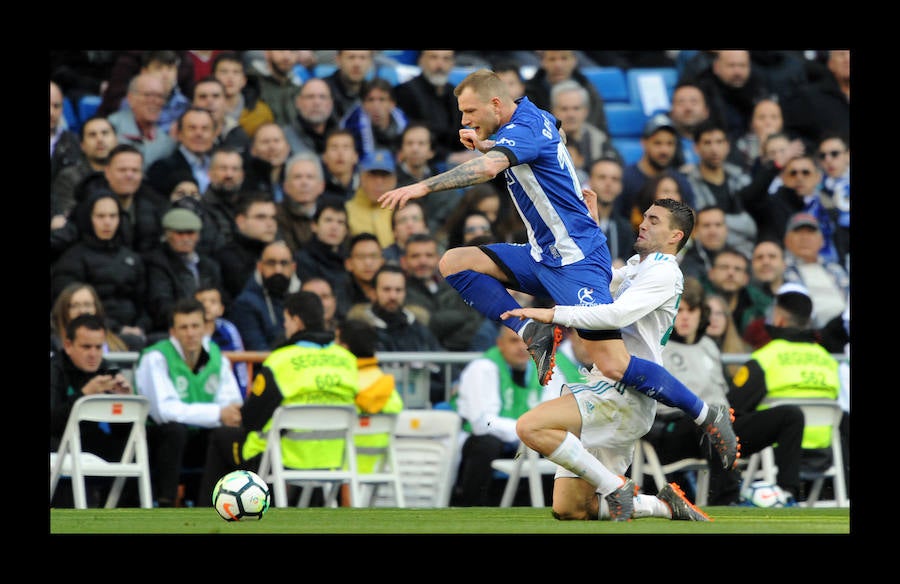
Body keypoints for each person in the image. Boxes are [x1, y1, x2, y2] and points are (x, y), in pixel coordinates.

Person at [378, 70, 738, 472]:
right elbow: (550, 143)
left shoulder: (527, 128)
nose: (464, 120)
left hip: (577, 261)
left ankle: (707, 414)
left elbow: (488, 169)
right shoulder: (532, 120)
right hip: (542, 255)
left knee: (613, 364)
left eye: (469, 111)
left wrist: (420, 187)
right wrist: (488, 143)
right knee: (455, 262)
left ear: (497, 104)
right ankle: (531, 331)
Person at [500, 198, 719, 521]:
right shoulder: (638, 266)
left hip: (623, 393)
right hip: (612, 391)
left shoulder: (664, 271)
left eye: (654, 220)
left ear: (676, 236)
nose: (643, 223)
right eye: (645, 216)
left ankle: (616, 487)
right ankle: (661, 505)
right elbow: (595, 281)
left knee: (530, 427)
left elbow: (614, 313)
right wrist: (593, 230)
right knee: (572, 509)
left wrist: (551, 315)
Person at [650, 277, 803, 506]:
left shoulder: (709, 346)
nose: (684, 317)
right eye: (679, 310)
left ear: (701, 313)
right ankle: (728, 498)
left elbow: (724, 398)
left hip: (721, 426)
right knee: (709, 417)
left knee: (791, 415)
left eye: (691, 310)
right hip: (675, 430)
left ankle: (786, 494)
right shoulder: (656, 347)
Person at [197, 291, 360, 506]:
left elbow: (252, 419)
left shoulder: (281, 361)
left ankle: (206, 518)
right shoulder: (347, 360)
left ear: (296, 320)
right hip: (333, 459)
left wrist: (240, 413)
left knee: (221, 437)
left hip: (284, 459)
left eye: (286, 321)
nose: (285, 327)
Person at [728, 286, 843, 499]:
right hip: (822, 452)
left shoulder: (766, 358)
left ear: (779, 319)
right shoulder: (828, 360)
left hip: (774, 451)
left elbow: (732, 408)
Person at [134, 297, 243, 507]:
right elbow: (165, 412)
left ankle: (219, 505)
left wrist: (222, 414)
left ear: (205, 328)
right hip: (155, 442)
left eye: (195, 326)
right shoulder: (156, 358)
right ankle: (165, 504)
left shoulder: (218, 358)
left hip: (196, 438)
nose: (191, 333)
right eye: (183, 327)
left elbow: (232, 404)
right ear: (173, 332)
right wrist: (217, 414)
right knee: (174, 430)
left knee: (227, 433)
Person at [451, 325, 568, 506]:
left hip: (528, 441)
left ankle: (552, 507)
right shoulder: (483, 368)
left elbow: (555, 412)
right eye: (514, 341)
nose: (522, 347)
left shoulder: (547, 368)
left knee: (559, 442)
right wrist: (526, 431)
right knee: (487, 444)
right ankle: (472, 506)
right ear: (500, 344)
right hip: (485, 441)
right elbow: (482, 423)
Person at [50, 314, 137, 508]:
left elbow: (121, 433)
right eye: (86, 347)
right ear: (68, 345)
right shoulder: (54, 369)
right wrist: (84, 394)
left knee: (133, 449)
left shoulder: (106, 369)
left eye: (98, 347)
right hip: (57, 443)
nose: (93, 354)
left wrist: (126, 403)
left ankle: (128, 518)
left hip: (89, 441)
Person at [51, 190, 152, 351]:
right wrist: (118, 329)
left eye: (113, 216)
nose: (107, 222)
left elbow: (144, 304)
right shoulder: (72, 258)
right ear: (89, 218)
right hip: (92, 333)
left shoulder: (132, 258)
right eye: (101, 216)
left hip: (134, 332)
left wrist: (141, 327)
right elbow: (68, 307)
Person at [345, 263, 447, 404]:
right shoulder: (359, 329)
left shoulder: (418, 327)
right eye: (386, 290)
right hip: (375, 406)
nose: (393, 296)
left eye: (398, 290)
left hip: (421, 407)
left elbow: (442, 363)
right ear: (373, 292)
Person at [141, 207, 224, 339]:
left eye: (190, 233)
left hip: (210, 326)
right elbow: (161, 305)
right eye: (180, 233)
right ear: (168, 235)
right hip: (175, 330)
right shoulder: (157, 263)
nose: (186, 238)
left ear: (198, 236)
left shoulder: (209, 265)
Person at [683, 119, 758, 259]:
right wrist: (740, 222)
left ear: (728, 146)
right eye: (707, 142)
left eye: (719, 142)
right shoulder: (687, 183)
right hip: (703, 256)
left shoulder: (742, 179)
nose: (714, 149)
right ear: (696, 148)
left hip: (745, 256)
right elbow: (698, 228)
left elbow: (752, 227)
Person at [401, 232, 486, 352]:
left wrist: (445, 341)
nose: (423, 261)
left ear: (437, 258)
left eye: (429, 255)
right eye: (415, 256)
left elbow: (474, 323)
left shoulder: (455, 285)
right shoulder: (398, 291)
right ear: (403, 261)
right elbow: (429, 329)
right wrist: (461, 317)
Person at [393, 50, 472, 167]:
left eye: (446, 59)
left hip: (457, 158)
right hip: (425, 161)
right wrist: (449, 156)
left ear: (452, 63)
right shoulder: (406, 92)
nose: (440, 65)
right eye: (433, 58)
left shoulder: (454, 92)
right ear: (421, 61)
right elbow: (412, 136)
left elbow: (458, 134)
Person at [615, 113, 696, 223]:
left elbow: (690, 221)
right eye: (658, 143)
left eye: (670, 143)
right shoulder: (625, 178)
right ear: (644, 143)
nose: (664, 150)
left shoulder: (681, 182)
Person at [228, 239, 301, 351]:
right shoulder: (245, 303)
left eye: (284, 263)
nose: (278, 270)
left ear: (293, 267)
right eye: (271, 263)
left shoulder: (302, 299)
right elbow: (257, 350)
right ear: (259, 266)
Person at [781, 213, 849, 328]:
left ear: (821, 240)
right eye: (798, 232)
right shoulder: (782, 270)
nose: (804, 237)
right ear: (787, 240)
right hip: (810, 332)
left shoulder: (836, 270)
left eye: (810, 232)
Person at [51, 116, 118, 228]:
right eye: (92, 135)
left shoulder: (126, 171)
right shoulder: (68, 177)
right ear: (82, 145)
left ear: (116, 140)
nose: (100, 139)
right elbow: (68, 216)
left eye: (105, 133)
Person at [214, 192, 280, 301]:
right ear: (241, 221)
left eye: (273, 217)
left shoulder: (279, 252)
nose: (270, 224)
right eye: (261, 217)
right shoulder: (227, 258)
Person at [294, 200, 351, 320]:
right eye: (328, 220)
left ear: (346, 230)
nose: (334, 227)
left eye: (340, 222)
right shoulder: (303, 260)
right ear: (314, 226)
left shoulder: (349, 260)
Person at [524, 50, 608, 132]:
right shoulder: (530, 93)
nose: (558, 65)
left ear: (574, 60)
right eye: (552, 59)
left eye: (564, 58)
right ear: (542, 62)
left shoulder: (589, 90)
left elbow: (599, 128)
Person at [107, 72, 177, 170]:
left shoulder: (167, 142)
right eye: (148, 95)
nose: (155, 101)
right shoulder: (110, 127)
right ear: (130, 98)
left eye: (160, 96)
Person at [781, 50, 850, 149]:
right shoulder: (810, 97)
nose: (847, 59)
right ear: (830, 64)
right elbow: (794, 133)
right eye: (841, 54)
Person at [550, 79, 620, 174]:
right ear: (553, 111)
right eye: (564, 109)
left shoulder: (599, 139)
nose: (571, 114)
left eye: (576, 108)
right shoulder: (543, 137)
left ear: (586, 111)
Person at [699, 245, 772, 337]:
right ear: (711, 274)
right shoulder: (697, 300)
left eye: (737, 269)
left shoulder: (760, 304)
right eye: (724, 267)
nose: (731, 273)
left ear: (746, 278)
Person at [146, 106, 217, 197]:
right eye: (192, 128)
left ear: (214, 134)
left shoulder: (219, 165)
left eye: (205, 129)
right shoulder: (162, 169)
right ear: (179, 134)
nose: (199, 134)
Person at [195, 284, 250, 396]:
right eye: (202, 302)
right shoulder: (189, 331)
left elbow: (240, 365)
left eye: (213, 302)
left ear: (221, 309)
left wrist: (242, 395)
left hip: (226, 391)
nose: (207, 306)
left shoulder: (229, 330)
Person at [50, 282, 129, 355]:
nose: (82, 311)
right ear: (64, 311)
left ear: (96, 309)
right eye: (74, 306)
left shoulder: (118, 343)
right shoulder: (53, 344)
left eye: (87, 305)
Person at [340, 77, 408, 161]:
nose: (376, 106)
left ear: (392, 104)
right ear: (363, 104)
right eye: (370, 100)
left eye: (382, 99)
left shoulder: (405, 125)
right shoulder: (351, 127)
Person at [275, 151, 328, 254]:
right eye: (297, 177)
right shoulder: (275, 215)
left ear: (321, 186)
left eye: (310, 177)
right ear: (286, 186)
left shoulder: (332, 213)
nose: (304, 183)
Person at [196, 145, 246, 256]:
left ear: (242, 175)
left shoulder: (249, 206)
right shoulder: (200, 208)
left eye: (235, 169)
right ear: (210, 174)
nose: (229, 175)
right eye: (223, 168)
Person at [212, 51, 274, 139]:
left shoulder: (261, 112)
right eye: (224, 72)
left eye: (236, 72)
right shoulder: (205, 110)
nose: (230, 77)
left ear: (244, 80)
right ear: (213, 77)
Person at [345, 149, 398, 248]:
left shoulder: (403, 209)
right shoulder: (347, 210)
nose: (379, 182)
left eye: (384, 175)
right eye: (373, 175)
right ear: (362, 177)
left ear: (394, 180)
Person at [587, 156, 633, 268]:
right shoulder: (574, 222)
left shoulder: (625, 228)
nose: (608, 184)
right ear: (589, 181)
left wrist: (623, 264)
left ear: (621, 186)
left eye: (615, 179)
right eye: (602, 177)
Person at [815, 133, 850, 270]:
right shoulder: (816, 189)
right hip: (834, 257)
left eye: (834, 154)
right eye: (823, 156)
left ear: (847, 155)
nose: (828, 160)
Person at [191, 76, 250, 154]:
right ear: (193, 103)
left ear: (225, 101)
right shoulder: (181, 135)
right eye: (203, 97)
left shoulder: (239, 135)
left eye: (216, 96)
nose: (209, 102)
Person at [281, 77, 339, 157]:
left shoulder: (342, 137)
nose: (316, 103)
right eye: (310, 97)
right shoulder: (283, 138)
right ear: (298, 103)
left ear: (331, 103)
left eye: (322, 97)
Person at [249, 50, 303, 128]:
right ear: (267, 53)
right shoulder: (251, 83)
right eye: (280, 51)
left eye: (292, 51)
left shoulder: (299, 87)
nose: (286, 57)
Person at [704, 292, 751, 378]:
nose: (714, 319)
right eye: (708, 313)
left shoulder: (745, 352)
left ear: (727, 319)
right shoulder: (688, 351)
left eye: (719, 313)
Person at [241, 121, 292, 202]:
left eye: (276, 141)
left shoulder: (298, 174)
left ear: (287, 147)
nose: (272, 147)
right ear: (253, 150)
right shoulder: (244, 179)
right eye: (265, 142)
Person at [678, 205, 729, 281]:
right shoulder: (688, 263)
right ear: (695, 231)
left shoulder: (738, 257)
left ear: (726, 229)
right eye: (706, 225)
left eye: (718, 225)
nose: (713, 231)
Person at [322, 50, 376, 121]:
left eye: (363, 58)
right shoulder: (323, 90)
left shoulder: (373, 93)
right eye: (351, 57)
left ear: (370, 62)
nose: (357, 64)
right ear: (338, 60)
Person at [667, 82, 709, 169]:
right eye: (681, 103)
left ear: (706, 111)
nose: (688, 108)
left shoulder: (722, 141)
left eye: (694, 102)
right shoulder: (663, 145)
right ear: (671, 113)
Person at [381, 200, 428, 265]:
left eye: (415, 219)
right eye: (403, 220)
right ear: (394, 231)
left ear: (426, 227)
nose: (410, 224)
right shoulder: (383, 259)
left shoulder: (440, 256)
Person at [320, 128, 361, 201]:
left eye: (346, 147)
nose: (340, 153)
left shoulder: (365, 186)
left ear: (355, 157)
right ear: (324, 157)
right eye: (334, 148)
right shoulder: (317, 188)